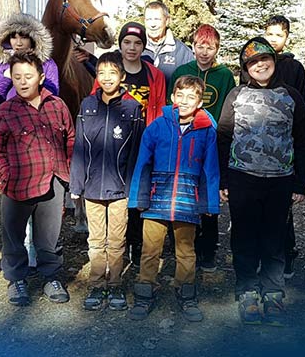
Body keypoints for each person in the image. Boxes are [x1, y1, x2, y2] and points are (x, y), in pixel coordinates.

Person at [218, 37, 305, 326]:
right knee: (244, 236)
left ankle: (273, 291)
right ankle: (247, 289)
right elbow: (223, 137)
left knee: (274, 238)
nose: (260, 65)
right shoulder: (236, 95)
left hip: (280, 180)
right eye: (253, 62)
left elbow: (303, 139)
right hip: (242, 177)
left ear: (274, 61)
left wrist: (300, 182)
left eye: (265, 59)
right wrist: (223, 178)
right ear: (245, 68)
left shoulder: (291, 95)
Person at [0, 51, 75, 307]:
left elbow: (70, 139)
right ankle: (17, 279)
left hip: (53, 183)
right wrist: (5, 179)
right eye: (17, 77)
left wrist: (66, 173)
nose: (23, 82)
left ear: (41, 77)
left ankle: (51, 277)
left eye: (28, 76)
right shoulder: (5, 111)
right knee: (13, 237)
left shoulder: (57, 105)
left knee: (49, 237)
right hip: (17, 186)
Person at [127, 75, 219, 322]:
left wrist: (209, 203)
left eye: (192, 97)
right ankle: (145, 292)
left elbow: (210, 168)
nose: (185, 101)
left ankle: (186, 292)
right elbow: (142, 164)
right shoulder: (157, 126)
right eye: (181, 95)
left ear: (200, 102)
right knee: (150, 250)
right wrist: (138, 197)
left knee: (186, 251)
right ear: (172, 97)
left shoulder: (206, 130)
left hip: (187, 200)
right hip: (157, 199)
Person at [70, 52, 144, 311]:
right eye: (101, 73)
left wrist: (133, 189)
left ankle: (115, 286)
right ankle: (96, 284)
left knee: (116, 241)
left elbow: (136, 152)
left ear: (122, 77)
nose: (107, 78)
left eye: (113, 73)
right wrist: (76, 185)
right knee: (95, 240)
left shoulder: (132, 108)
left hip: (120, 189)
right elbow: (79, 147)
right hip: (91, 189)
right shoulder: (87, 106)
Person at [0, 12, 59, 269]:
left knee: (44, 210)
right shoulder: (1, 66)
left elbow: (53, 91)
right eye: (13, 37)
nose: (18, 42)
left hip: (40, 140)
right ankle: (18, 266)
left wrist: (31, 76)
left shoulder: (48, 65)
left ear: (32, 39)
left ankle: (44, 261)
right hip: (12, 139)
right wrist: (8, 76)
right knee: (16, 213)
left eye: (23, 37)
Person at [91, 22, 166, 265]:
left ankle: (136, 243)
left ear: (144, 46)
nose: (132, 48)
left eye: (137, 43)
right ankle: (112, 248)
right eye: (126, 42)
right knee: (118, 195)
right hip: (113, 145)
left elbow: (160, 108)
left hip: (143, 142)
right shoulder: (107, 71)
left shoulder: (154, 75)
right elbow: (95, 103)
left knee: (139, 193)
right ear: (120, 44)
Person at [168, 24, 235, 272]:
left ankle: (208, 247)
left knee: (208, 193)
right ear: (193, 47)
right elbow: (172, 104)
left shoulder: (225, 75)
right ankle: (184, 246)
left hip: (213, 143)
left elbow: (229, 109)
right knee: (184, 191)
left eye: (210, 47)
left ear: (217, 49)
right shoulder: (182, 71)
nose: (204, 52)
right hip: (185, 141)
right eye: (200, 46)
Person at [264, 15, 305, 279]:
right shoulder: (254, 62)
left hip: (285, 143)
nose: (273, 39)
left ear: (286, 37)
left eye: (278, 35)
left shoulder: (294, 68)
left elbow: (301, 106)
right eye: (269, 33)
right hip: (257, 143)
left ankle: (286, 253)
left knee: (283, 207)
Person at [141, 1, 194, 82]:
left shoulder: (183, 53)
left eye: (157, 19)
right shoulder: (134, 49)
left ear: (167, 20)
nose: (152, 24)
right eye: (149, 19)